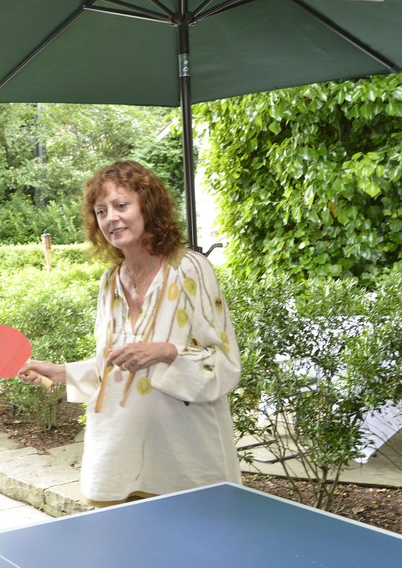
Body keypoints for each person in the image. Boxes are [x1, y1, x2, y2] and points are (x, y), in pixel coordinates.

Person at [18, 160, 241, 506]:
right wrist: (59, 373)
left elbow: (225, 363)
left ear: (148, 207)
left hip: (185, 460)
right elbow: (113, 364)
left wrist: (168, 351)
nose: (111, 218)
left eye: (122, 205)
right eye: (101, 210)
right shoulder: (109, 281)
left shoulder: (190, 269)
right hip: (115, 457)